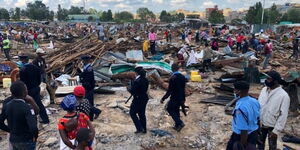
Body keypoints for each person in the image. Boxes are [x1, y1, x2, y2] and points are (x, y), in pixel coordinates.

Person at [0, 81, 38, 150]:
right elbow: (33, 127)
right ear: (24, 92)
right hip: (26, 140)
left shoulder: (7, 105)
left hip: (14, 139)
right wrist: (35, 136)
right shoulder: (27, 107)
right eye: (26, 89)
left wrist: (10, 130)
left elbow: (0, 122)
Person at [257, 71, 290, 150]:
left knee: (272, 147)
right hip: (261, 123)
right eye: (266, 78)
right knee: (259, 145)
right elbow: (259, 105)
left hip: (272, 127)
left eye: (269, 79)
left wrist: (276, 130)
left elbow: (283, 115)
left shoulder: (283, 96)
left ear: (275, 81)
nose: (266, 80)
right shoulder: (264, 90)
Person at [226, 81, 260, 150]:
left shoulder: (240, 108)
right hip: (253, 134)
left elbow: (243, 129)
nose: (234, 91)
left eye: (235, 89)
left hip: (241, 137)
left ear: (238, 91)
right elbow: (258, 118)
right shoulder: (255, 101)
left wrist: (242, 146)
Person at [20, 54, 49, 124]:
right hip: (36, 88)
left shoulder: (23, 70)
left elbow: (23, 83)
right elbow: (39, 80)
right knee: (39, 104)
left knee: (27, 106)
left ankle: (29, 121)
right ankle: (45, 119)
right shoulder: (35, 68)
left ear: (22, 60)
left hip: (28, 90)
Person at [161, 63, 186, 132]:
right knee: (176, 110)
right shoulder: (182, 77)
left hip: (174, 97)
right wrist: (183, 98)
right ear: (178, 68)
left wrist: (163, 98)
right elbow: (183, 88)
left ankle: (180, 123)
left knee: (170, 109)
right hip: (181, 97)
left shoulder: (172, 78)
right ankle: (177, 125)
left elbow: (169, 90)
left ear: (172, 69)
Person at [77, 55, 101, 121]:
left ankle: (94, 113)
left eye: (83, 60)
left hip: (88, 87)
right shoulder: (86, 67)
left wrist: (82, 79)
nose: (82, 62)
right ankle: (92, 115)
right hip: (86, 87)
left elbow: (87, 78)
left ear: (86, 60)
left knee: (88, 102)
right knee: (87, 102)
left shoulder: (89, 68)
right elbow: (84, 75)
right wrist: (79, 71)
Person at [128, 67, 149, 134]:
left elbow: (132, 91)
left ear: (136, 73)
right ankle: (144, 129)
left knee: (132, 113)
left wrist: (128, 88)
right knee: (142, 114)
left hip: (138, 99)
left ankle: (140, 128)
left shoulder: (137, 81)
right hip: (144, 98)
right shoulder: (146, 79)